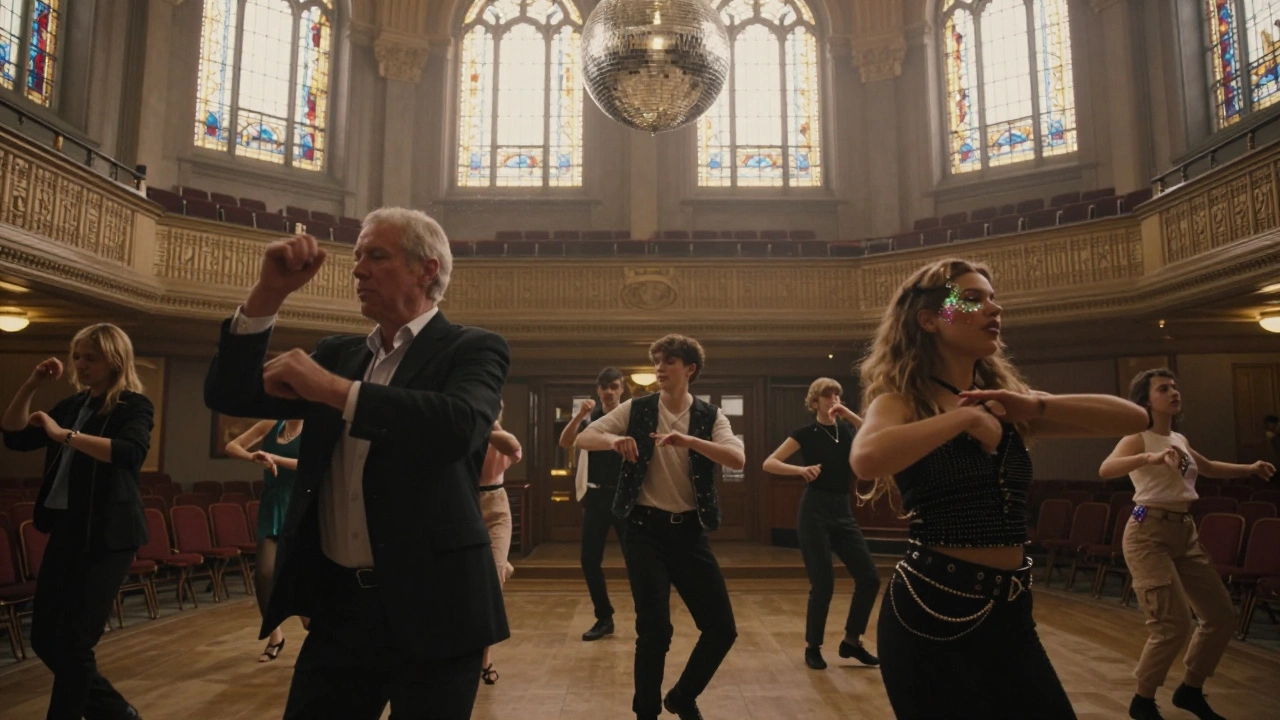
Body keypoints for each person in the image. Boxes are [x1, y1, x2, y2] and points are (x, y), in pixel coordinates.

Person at [203, 208, 510, 720]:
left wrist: (334, 392)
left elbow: (456, 426)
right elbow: (229, 391)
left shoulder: (472, 349)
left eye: (376, 256)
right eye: (356, 257)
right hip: (339, 610)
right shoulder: (338, 354)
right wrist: (268, 294)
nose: (357, 270)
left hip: (437, 609)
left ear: (426, 270)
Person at [851, 258, 1149, 719]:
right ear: (929, 319)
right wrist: (964, 418)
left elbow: (1133, 418)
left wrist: (1032, 403)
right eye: (970, 299)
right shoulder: (902, 401)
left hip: (1009, 608)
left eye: (992, 298)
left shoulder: (1006, 404)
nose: (994, 308)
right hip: (931, 608)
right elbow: (866, 459)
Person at [576, 335, 745, 720]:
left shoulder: (709, 415)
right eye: (657, 361)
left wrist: (689, 440)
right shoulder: (638, 408)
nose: (660, 368)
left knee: (721, 629)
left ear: (690, 369)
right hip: (643, 529)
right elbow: (586, 437)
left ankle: (683, 696)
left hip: (689, 532)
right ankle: (646, 712)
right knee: (654, 631)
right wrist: (615, 438)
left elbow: (737, 456)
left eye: (669, 361)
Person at [1101, 368, 1275, 720]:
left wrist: (1251, 467)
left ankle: (1190, 689)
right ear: (1146, 401)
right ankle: (1143, 701)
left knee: (1221, 617)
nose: (1173, 392)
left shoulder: (1178, 439)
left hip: (1184, 531)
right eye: (1164, 389)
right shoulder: (1139, 436)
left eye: (1175, 387)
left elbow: (1207, 467)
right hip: (1147, 530)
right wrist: (1147, 458)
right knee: (1173, 624)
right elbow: (1107, 469)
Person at [1, 323, 153, 720]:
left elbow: (128, 452)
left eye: (91, 357)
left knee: (74, 642)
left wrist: (65, 436)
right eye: (77, 356)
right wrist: (31, 385)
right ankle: (115, 711)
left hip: (108, 536)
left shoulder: (133, 406)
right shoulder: (72, 405)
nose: (81, 365)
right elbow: (14, 434)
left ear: (115, 361)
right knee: (44, 639)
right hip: (68, 529)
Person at [762, 377, 880, 670]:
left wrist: (849, 415)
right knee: (823, 583)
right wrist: (800, 469)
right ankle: (813, 646)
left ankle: (851, 642)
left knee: (869, 578)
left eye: (837, 395)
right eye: (827, 396)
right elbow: (770, 462)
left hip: (843, 510)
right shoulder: (806, 432)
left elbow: (874, 433)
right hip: (814, 510)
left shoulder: (848, 430)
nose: (833, 400)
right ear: (814, 402)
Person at [558, 367, 629, 641]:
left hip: (625, 498)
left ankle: (648, 616)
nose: (609, 392)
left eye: (614, 387)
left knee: (637, 561)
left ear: (621, 389)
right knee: (589, 560)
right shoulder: (592, 420)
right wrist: (579, 415)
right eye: (604, 387)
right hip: (597, 498)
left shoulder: (630, 416)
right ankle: (604, 617)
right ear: (598, 391)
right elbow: (565, 442)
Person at [225, 418, 303, 662]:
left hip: (300, 506)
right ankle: (275, 636)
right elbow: (232, 446)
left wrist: (274, 458)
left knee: (302, 576)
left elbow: (312, 464)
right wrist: (253, 457)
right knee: (264, 575)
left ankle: (316, 632)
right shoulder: (270, 425)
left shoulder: (315, 427)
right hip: (273, 506)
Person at [478, 405, 522, 684]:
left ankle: (485, 659)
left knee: (491, 586)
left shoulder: (502, 435)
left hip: (496, 508)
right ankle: (502, 564)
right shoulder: (467, 432)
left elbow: (514, 449)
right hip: (467, 506)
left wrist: (490, 424)